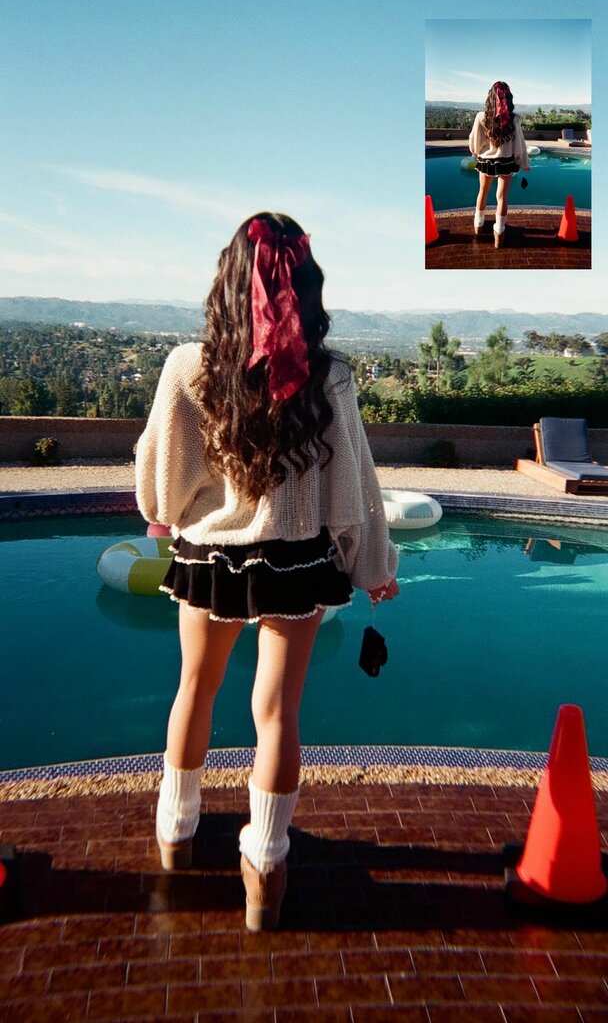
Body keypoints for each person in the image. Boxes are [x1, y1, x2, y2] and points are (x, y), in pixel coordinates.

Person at [135, 212, 399, 932]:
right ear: (306, 284)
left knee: (196, 687)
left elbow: (160, 494)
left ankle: (176, 832)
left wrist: (183, 512)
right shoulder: (331, 375)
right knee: (278, 713)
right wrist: (373, 566)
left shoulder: (188, 368)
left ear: (227, 280)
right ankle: (267, 866)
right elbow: (355, 487)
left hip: (210, 559)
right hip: (297, 562)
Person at [468, 81, 530, 247]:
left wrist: (475, 151)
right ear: (508, 97)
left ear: (490, 97)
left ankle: (478, 225)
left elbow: (475, 142)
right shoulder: (514, 119)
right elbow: (520, 144)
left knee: (483, 191)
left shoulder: (481, 117)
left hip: (486, 161)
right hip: (506, 161)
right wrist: (523, 162)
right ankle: (500, 232)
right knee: (502, 197)